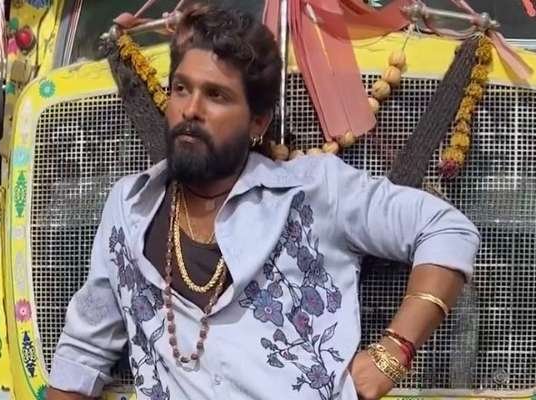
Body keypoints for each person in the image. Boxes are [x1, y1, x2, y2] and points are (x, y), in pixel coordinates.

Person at [46, 4, 480, 400]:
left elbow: (447, 229)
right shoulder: (129, 207)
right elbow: (82, 355)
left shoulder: (314, 191)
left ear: (257, 122)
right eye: (181, 89)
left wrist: (393, 353)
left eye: (216, 95)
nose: (190, 109)